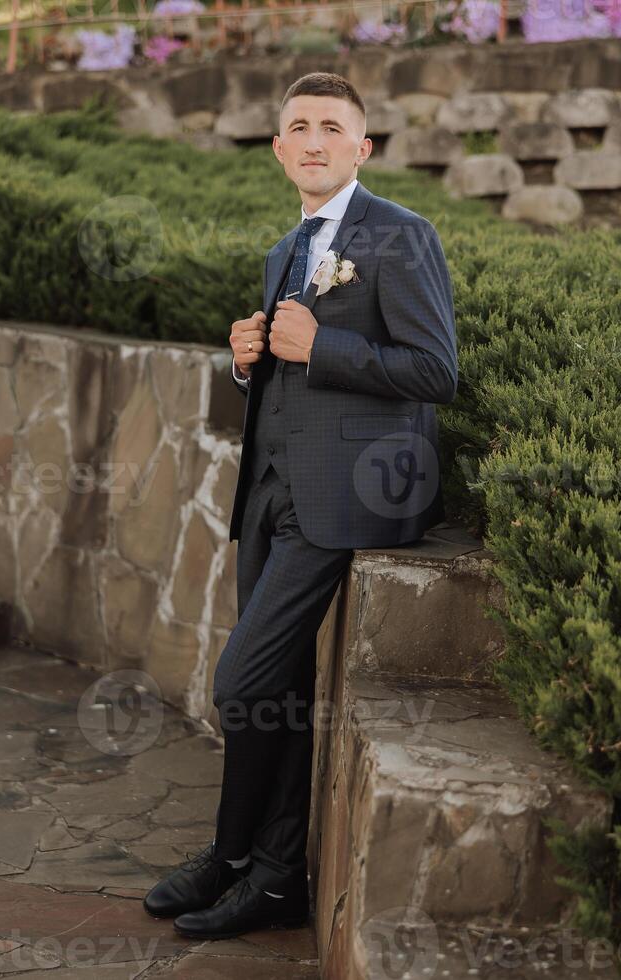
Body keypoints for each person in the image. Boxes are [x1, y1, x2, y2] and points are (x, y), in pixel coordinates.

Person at [143, 70, 458, 940]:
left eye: (332, 125)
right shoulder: (287, 245)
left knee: (241, 682)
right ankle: (262, 871)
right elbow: (287, 371)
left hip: (350, 495)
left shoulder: (402, 235)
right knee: (275, 688)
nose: (313, 139)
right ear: (279, 148)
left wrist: (325, 345)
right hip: (274, 493)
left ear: (363, 146)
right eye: (298, 127)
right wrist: (250, 360)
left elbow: (437, 372)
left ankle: (235, 855)